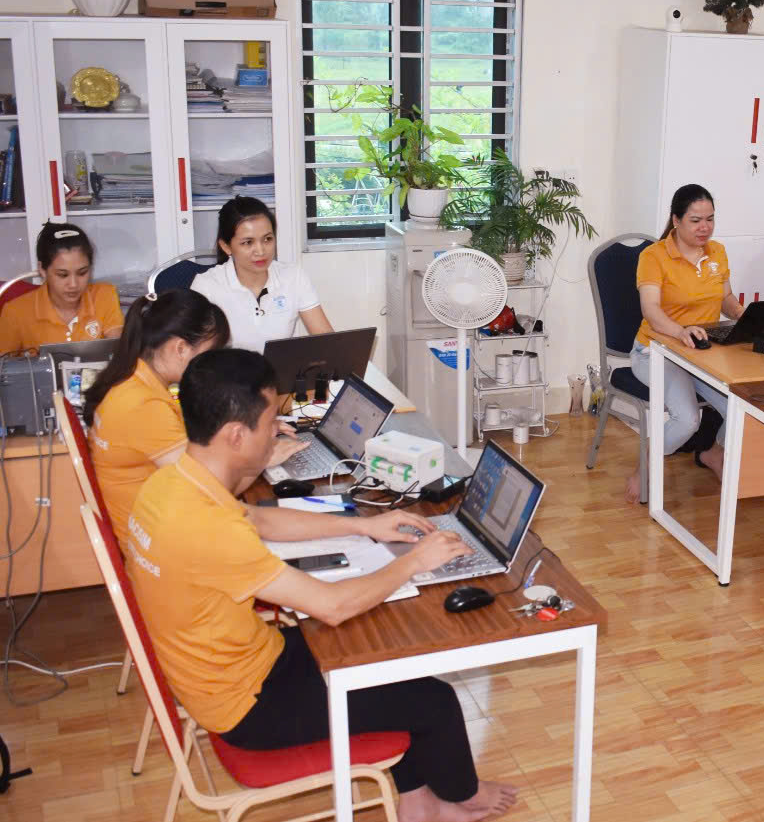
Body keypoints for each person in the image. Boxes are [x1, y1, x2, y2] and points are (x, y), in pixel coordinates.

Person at [124, 348, 518, 822]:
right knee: (433, 700)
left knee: (382, 655)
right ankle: (463, 795)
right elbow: (331, 606)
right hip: (249, 706)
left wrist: (364, 526)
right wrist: (414, 562)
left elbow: (260, 520)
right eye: (269, 422)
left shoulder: (172, 486)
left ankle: (417, 802)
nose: (277, 430)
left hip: (234, 666)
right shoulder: (209, 530)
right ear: (235, 435)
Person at [85, 289, 306, 542]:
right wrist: (261, 455)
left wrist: (256, 426)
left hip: (151, 526)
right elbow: (210, 491)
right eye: (209, 353)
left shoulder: (133, 380)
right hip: (159, 541)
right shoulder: (143, 406)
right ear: (180, 348)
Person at [624, 184, 746, 503]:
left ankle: (714, 453)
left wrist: (741, 313)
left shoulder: (717, 252)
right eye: (695, 220)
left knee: (743, 411)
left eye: (710, 219)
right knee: (687, 419)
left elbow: (726, 298)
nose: (705, 227)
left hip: (701, 353)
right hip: (656, 352)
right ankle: (645, 465)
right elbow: (650, 309)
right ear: (676, 220)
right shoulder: (654, 256)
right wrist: (680, 332)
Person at [190, 197, 334, 353]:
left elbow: (327, 341)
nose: (260, 251)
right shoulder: (206, 286)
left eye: (267, 239)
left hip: (280, 368)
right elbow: (196, 357)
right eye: (248, 242)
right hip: (229, 369)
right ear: (226, 246)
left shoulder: (293, 276)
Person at [0, 222, 123, 354]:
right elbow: (4, 364)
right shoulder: (15, 313)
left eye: (82, 273)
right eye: (62, 275)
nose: (73, 284)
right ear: (42, 270)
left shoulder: (104, 295)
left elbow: (120, 354)